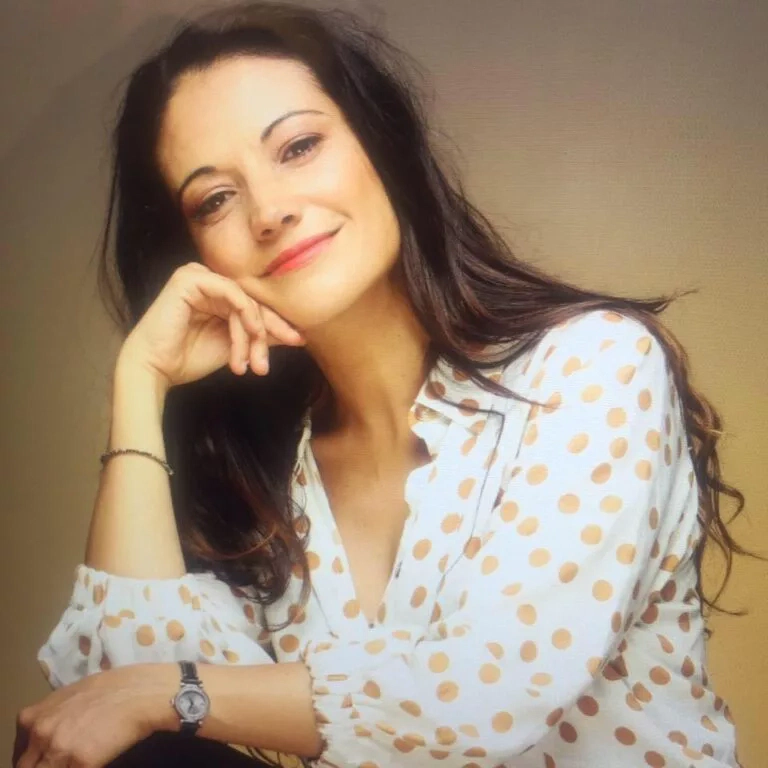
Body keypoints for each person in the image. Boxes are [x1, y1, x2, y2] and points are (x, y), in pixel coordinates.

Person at [14, 2, 756, 766]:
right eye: (215, 199)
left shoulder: (592, 365)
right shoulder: (271, 481)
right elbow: (112, 699)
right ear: (194, 254)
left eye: (298, 147)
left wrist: (162, 694)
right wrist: (140, 383)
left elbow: (481, 699)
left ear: (381, 145)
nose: (270, 211)